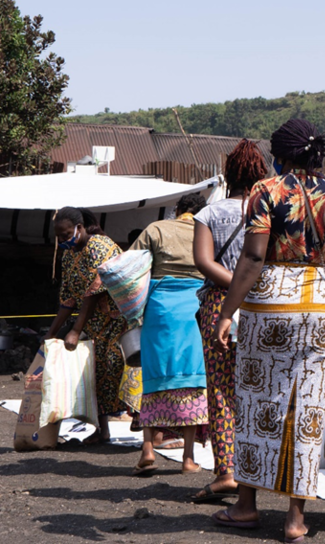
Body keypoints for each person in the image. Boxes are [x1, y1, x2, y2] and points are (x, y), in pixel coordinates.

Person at [210, 119, 325, 543]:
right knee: (308, 410)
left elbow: (252, 258)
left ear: (280, 155)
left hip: (268, 307)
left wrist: (227, 312)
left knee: (257, 403)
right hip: (317, 303)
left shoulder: (266, 190)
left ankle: (245, 506)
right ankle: (295, 520)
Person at [189, 139, 268, 503]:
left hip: (219, 307)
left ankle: (227, 472)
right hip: (260, 308)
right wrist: (248, 288)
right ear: (260, 174)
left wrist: (233, 287)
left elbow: (204, 263)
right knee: (257, 391)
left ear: (227, 173)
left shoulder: (208, 214)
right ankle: (260, 470)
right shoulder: (267, 211)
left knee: (221, 390)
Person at [129, 193, 210, 475]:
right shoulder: (207, 230)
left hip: (160, 310)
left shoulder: (157, 229)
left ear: (177, 209)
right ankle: (188, 459)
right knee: (192, 382)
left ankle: (148, 450)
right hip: (195, 311)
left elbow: (130, 267)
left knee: (153, 378)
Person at [44, 207, 128, 444]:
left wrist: (75, 330)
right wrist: (51, 334)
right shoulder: (69, 255)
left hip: (117, 319)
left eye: (66, 234)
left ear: (79, 228)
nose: (62, 240)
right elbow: (68, 299)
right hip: (92, 323)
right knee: (93, 372)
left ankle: (146, 423)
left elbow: (93, 292)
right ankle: (103, 430)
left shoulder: (100, 246)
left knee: (118, 366)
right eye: (59, 236)